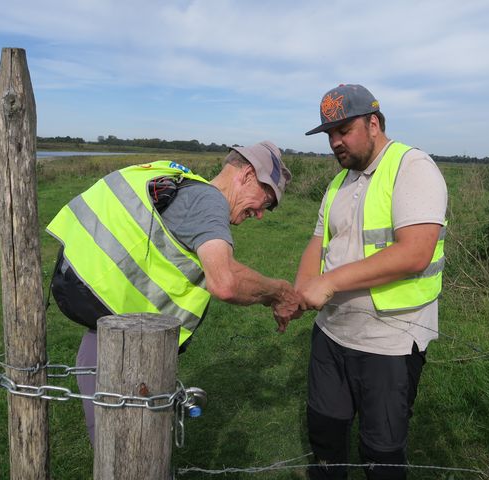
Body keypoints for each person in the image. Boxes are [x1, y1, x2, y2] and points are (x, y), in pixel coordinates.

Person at [46, 141, 302, 444]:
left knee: (107, 444)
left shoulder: (180, 184)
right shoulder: (209, 202)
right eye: (267, 199)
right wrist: (280, 292)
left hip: (98, 331)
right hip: (129, 357)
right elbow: (225, 281)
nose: (261, 213)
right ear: (247, 175)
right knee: (133, 451)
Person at [293, 85, 447, 479]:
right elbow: (316, 244)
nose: (335, 142)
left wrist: (329, 283)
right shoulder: (337, 184)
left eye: (343, 130)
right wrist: (299, 294)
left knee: (381, 452)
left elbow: (416, 251)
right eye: (329, 134)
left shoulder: (412, 167)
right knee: (325, 439)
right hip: (331, 334)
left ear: (373, 123)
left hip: (389, 342)